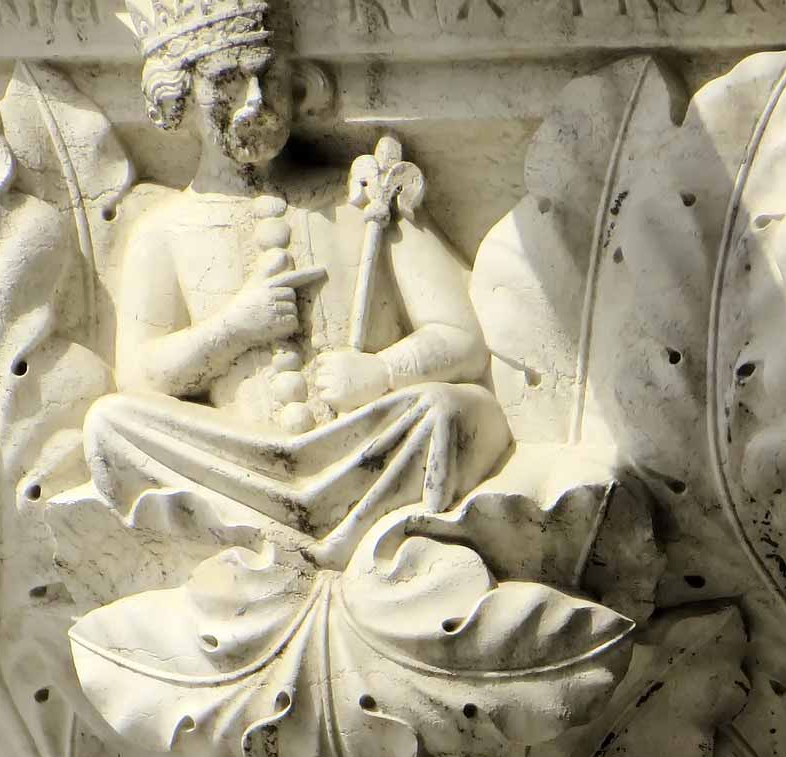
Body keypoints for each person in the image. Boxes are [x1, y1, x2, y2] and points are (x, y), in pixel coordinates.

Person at [92, 0, 508, 566]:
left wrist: (382, 372)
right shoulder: (163, 231)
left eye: (269, 78)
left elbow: (460, 337)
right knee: (110, 422)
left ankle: (344, 540)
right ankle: (275, 536)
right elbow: (139, 376)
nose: (255, 101)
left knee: (445, 409)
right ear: (179, 97)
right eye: (227, 82)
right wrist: (234, 329)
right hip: (243, 463)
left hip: (366, 442)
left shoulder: (362, 197)